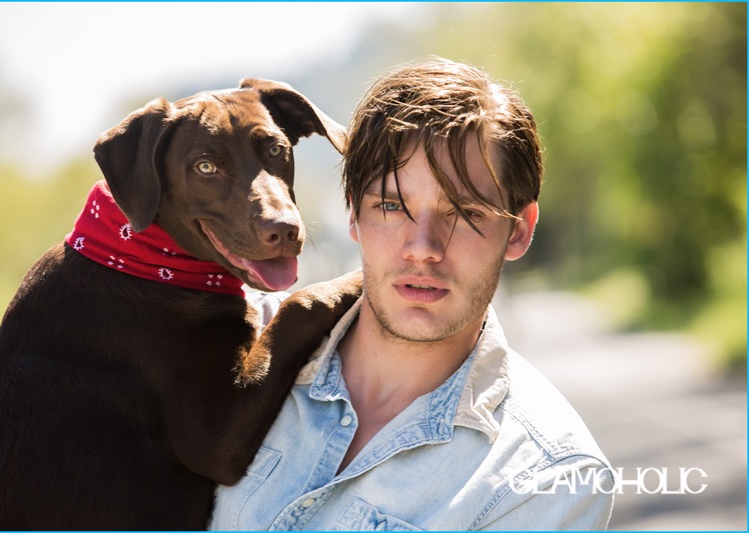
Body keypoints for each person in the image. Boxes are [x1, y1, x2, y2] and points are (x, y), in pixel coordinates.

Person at [209, 57, 615, 531]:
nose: (423, 249)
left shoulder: (551, 476)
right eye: (392, 206)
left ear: (519, 231)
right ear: (354, 215)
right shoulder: (224, 347)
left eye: (465, 213)